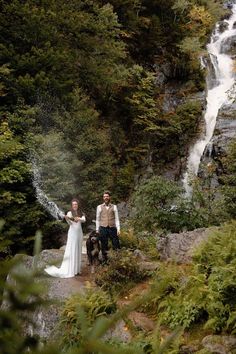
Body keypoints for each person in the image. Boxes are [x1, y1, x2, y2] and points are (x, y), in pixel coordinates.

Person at [44, 198, 86, 278]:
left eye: (76, 204)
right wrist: (67, 219)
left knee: (78, 249)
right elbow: (70, 223)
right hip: (72, 233)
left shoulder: (81, 212)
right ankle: (71, 270)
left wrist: (78, 218)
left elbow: (84, 220)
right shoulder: (69, 213)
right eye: (73, 204)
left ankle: (77, 270)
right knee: (72, 249)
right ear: (72, 205)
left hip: (79, 233)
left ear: (78, 205)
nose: (75, 206)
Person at [96, 191, 120, 262]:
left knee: (116, 244)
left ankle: (117, 260)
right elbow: (97, 219)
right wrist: (97, 229)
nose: (106, 198)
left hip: (112, 228)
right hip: (103, 228)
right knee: (104, 245)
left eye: (107, 196)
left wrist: (118, 229)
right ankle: (105, 261)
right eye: (104, 196)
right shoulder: (99, 207)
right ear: (103, 198)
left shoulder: (114, 207)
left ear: (109, 197)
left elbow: (117, 219)